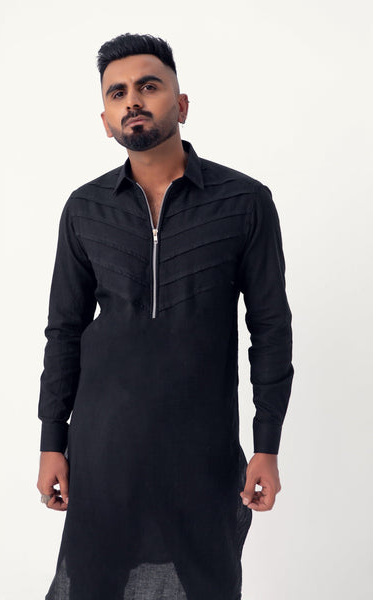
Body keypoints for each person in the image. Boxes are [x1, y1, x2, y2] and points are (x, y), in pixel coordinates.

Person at [36, 32, 294, 600]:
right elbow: (64, 331)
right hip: (103, 451)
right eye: (118, 93)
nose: (133, 100)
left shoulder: (244, 202)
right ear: (105, 121)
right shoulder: (84, 209)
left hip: (202, 454)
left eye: (148, 86)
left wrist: (267, 444)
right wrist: (52, 439)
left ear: (180, 104)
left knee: (205, 585)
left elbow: (271, 328)